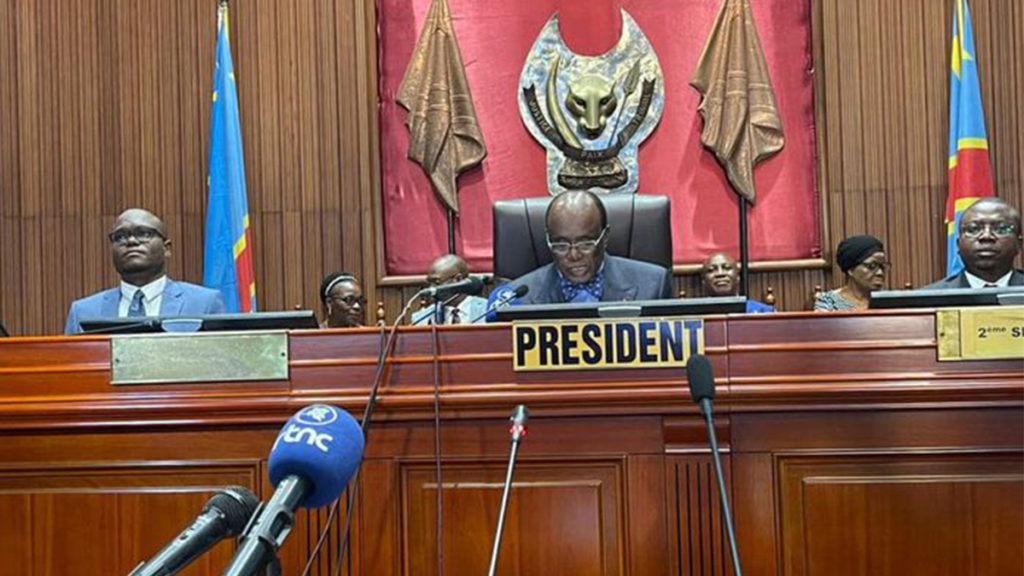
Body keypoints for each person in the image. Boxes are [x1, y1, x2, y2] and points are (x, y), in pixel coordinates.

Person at [64, 209, 226, 334]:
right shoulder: (83, 312)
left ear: (166, 248)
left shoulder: (204, 303)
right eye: (120, 237)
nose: (131, 241)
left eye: (144, 233)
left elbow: (222, 367)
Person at [509, 190, 673, 304]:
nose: (574, 255)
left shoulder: (653, 286)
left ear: (605, 237)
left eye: (585, 243)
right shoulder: (519, 297)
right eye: (561, 244)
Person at [924, 197, 1023, 289]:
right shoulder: (926, 301)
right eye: (973, 229)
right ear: (958, 245)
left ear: (1019, 244)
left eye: (1001, 229)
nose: (986, 236)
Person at [814, 235, 888, 311]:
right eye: (872, 266)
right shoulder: (829, 302)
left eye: (882, 266)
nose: (880, 273)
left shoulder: (888, 301)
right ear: (851, 270)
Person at [411, 254, 488, 325]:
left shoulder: (487, 309)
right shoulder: (421, 317)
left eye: (437, 282)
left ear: (458, 279)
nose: (432, 288)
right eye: (430, 283)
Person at [700, 252, 773, 313]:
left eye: (727, 268)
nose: (720, 274)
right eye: (712, 270)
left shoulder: (762, 312)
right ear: (703, 281)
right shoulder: (694, 317)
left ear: (738, 277)